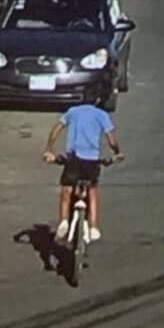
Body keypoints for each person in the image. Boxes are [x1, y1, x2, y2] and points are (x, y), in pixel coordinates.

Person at [42, 102, 124, 243]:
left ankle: (64, 221)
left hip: (73, 159)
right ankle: (93, 227)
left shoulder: (72, 111)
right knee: (92, 191)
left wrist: (49, 149)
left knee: (67, 189)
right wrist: (117, 152)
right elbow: (111, 140)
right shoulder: (101, 114)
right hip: (91, 161)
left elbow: (56, 129)